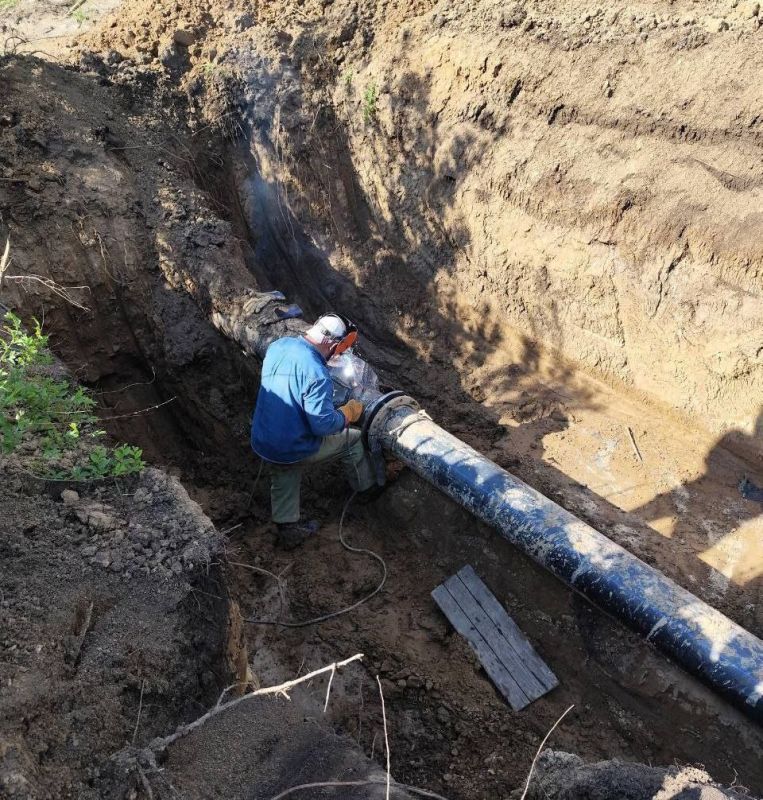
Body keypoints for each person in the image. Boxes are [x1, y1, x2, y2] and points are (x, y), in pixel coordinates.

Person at [251, 313, 378, 548]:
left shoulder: (279, 345)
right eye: (341, 348)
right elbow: (323, 425)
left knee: (283, 470)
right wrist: (347, 413)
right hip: (292, 447)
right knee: (353, 439)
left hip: (263, 437)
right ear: (331, 343)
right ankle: (367, 490)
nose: (339, 354)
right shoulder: (318, 374)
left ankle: (287, 527)